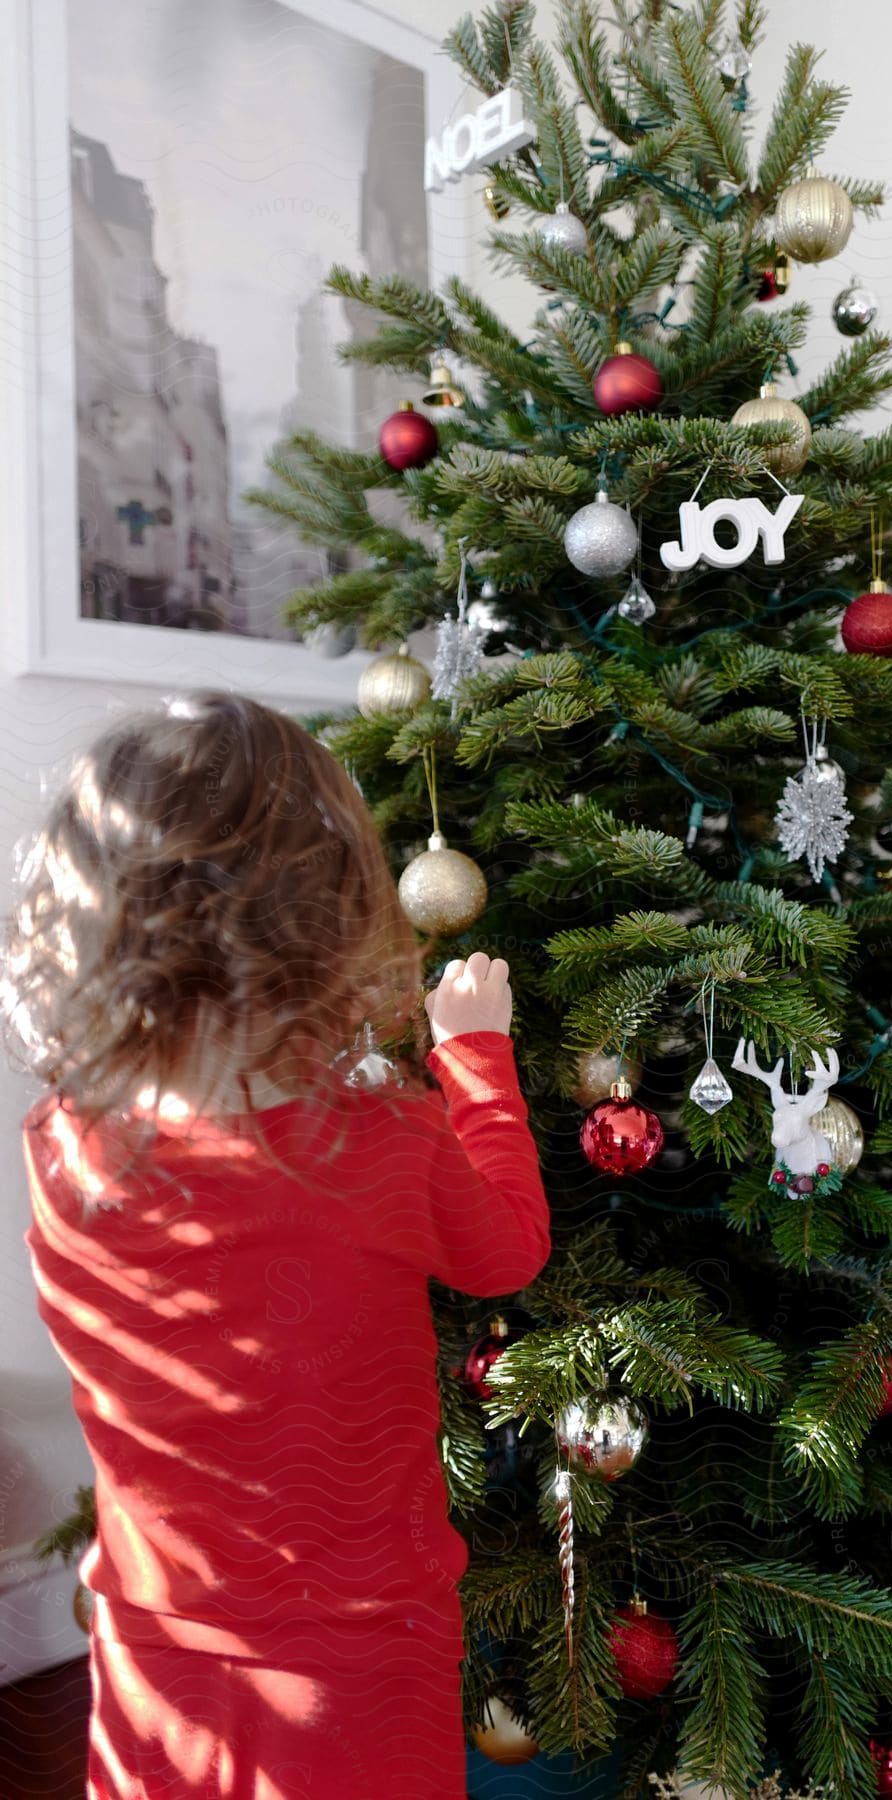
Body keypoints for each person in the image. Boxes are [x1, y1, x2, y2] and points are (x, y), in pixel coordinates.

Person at [6, 692, 550, 1800]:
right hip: (361, 1670)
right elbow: (506, 1256)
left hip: (152, 1659)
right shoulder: (388, 1140)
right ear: (330, 924)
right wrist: (476, 1057)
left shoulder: (62, 1145)